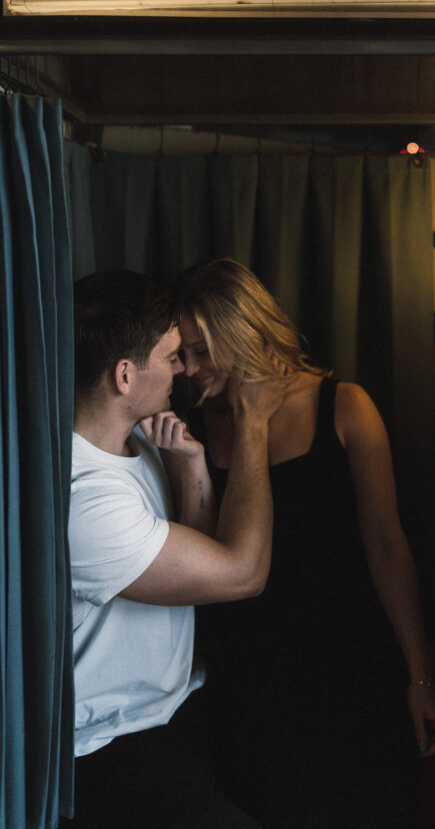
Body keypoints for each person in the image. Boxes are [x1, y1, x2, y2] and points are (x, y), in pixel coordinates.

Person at [176, 256, 435, 829]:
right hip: (254, 674)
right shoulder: (195, 428)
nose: (190, 370)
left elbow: (387, 544)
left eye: (202, 351)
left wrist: (420, 675)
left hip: (354, 664)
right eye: (183, 354)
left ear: (244, 332)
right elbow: (201, 564)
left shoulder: (345, 405)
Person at [65, 269, 283, 829]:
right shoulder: (85, 501)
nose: (184, 369)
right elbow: (241, 573)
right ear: (124, 375)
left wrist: (191, 466)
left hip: (173, 712)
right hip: (111, 746)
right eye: (170, 356)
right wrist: (254, 422)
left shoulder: (139, 437)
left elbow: (197, 561)